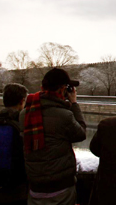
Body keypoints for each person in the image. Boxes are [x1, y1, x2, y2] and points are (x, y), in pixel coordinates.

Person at [19, 68, 86, 205]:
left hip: (35, 185)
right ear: (62, 89)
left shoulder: (25, 113)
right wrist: (73, 104)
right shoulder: (64, 115)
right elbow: (81, 134)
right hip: (60, 187)